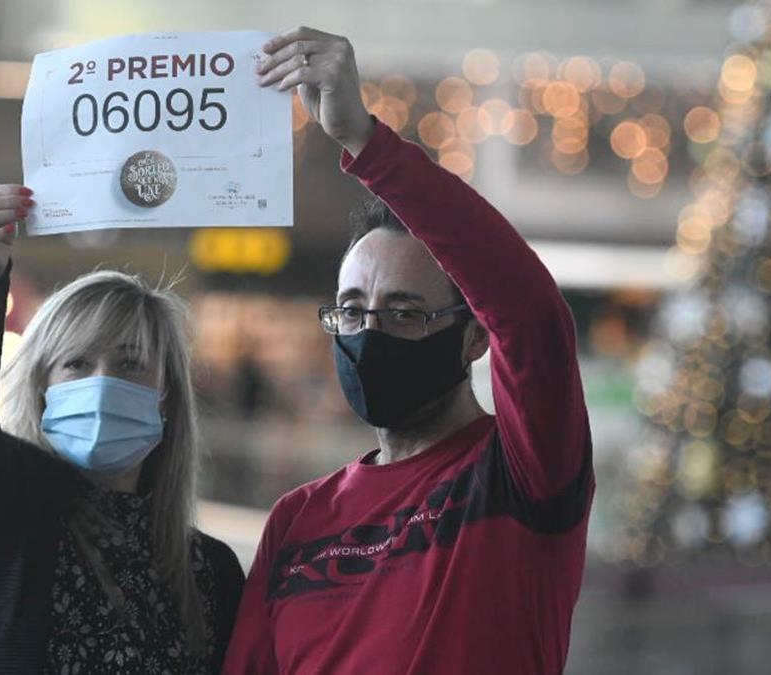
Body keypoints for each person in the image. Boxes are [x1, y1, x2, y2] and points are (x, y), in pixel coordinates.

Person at [223, 27, 594, 674]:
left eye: (404, 312)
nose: (370, 333)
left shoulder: (518, 473)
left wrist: (366, 144)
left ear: (474, 332)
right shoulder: (298, 518)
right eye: (353, 310)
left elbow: (531, 312)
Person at [0, 184, 245, 674]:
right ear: (41, 387)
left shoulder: (211, 572)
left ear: (167, 397)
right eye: (76, 363)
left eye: (130, 364)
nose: (103, 383)